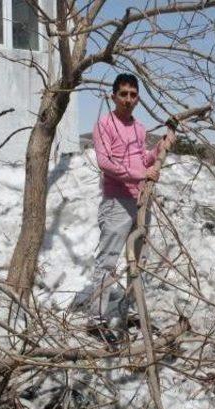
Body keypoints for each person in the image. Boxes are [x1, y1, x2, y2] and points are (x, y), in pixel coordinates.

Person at [85, 73, 171, 325]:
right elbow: (106, 163)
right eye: (123, 94)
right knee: (108, 261)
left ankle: (130, 310)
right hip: (116, 203)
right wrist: (142, 174)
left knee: (139, 259)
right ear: (114, 96)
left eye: (133, 95)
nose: (128, 99)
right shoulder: (105, 124)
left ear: (138, 99)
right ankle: (97, 320)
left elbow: (141, 159)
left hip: (141, 202)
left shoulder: (139, 128)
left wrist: (158, 150)